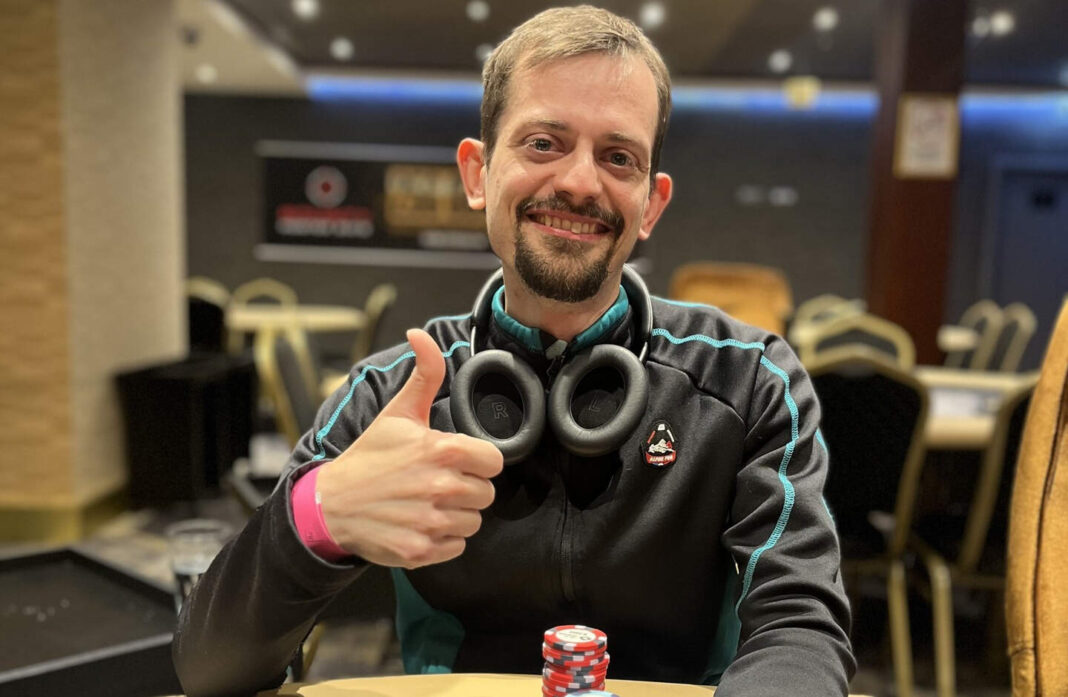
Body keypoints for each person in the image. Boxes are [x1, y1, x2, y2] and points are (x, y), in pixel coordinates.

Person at [173, 6, 854, 696]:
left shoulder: (749, 380)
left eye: (618, 157)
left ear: (651, 204)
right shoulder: (392, 394)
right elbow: (208, 668)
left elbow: (800, 626)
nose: (581, 182)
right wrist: (319, 513)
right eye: (543, 143)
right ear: (478, 174)